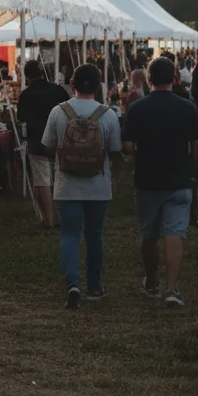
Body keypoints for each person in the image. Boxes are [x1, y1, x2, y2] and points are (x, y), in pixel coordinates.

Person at [123, 56, 198, 307]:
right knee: (174, 234)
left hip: (148, 179)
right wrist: (192, 169)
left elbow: (127, 145)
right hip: (179, 178)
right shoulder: (187, 107)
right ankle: (172, 288)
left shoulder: (138, 107)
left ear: (149, 78)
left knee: (149, 234)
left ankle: (151, 282)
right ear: (175, 78)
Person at [41, 64, 121, 308]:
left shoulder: (58, 112)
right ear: (98, 85)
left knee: (69, 234)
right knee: (95, 235)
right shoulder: (108, 114)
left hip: (67, 185)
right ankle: (94, 286)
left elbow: (48, 145)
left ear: (72, 84)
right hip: (98, 185)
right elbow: (115, 149)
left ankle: (73, 284)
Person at [17, 59, 70, 228]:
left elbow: (21, 117)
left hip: (37, 141)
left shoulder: (26, 94)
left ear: (27, 77)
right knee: (62, 177)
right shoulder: (58, 90)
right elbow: (69, 110)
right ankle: (65, 215)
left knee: (42, 180)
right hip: (60, 139)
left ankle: (48, 219)